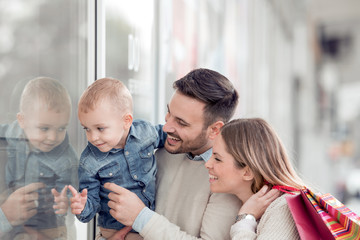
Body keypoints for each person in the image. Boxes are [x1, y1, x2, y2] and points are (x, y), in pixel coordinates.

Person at [104, 68, 278, 240]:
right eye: (169, 113)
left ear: (215, 129)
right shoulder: (162, 151)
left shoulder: (226, 178)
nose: (166, 128)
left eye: (181, 122)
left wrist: (140, 217)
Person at [68, 78, 167, 240]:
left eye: (100, 128)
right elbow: (90, 207)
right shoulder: (89, 161)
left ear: (126, 121)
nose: (93, 137)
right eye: (87, 128)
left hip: (149, 225)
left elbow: (168, 137)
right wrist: (82, 207)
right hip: (114, 232)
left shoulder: (145, 133)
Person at [0, 77, 79, 240]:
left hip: (48, 226)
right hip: (13, 222)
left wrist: (65, 203)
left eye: (61, 128)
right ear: (22, 121)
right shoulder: (9, 138)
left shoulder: (66, 158)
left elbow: (70, 192)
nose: (52, 137)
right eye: (44, 128)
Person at [205, 118, 303, 239]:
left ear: (247, 172)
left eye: (218, 159)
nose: (207, 164)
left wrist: (245, 218)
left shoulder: (283, 208)